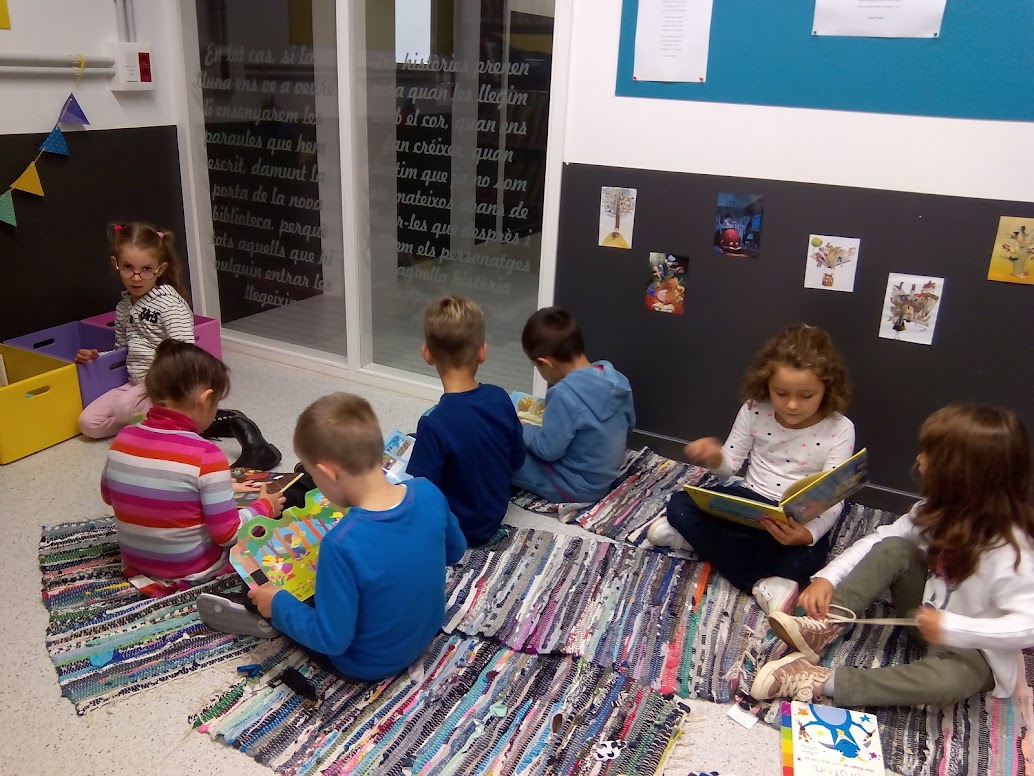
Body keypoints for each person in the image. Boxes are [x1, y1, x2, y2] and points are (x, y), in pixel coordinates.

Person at [752, 405, 1034, 708]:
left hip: (972, 652)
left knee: (950, 682)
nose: (919, 458)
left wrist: (954, 628)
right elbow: (882, 539)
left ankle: (822, 681)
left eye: (929, 453)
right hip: (924, 618)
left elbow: (1027, 625)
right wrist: (828, 578)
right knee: (894, 548)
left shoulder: (1010, 553)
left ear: (959, 474)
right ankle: (826, 625)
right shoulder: (934, 512)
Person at [200, 393, 468, 681]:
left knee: (259, 590)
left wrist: (277, 604)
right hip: (425, 631)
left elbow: (331, 640)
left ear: (327, 473)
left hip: (366, 662)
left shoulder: (341, 544)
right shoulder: (427, 491)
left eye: (314, 477)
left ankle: (261, 614)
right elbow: (456, 551)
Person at [648, 324, 854, 615]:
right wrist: (714, 457)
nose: (792, 405)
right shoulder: (754, 409)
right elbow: (729, 467)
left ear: (827, 389)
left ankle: (701, 543)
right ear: (766, 383)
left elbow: (834, 499)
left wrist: (807, 535)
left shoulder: (840, 428)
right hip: (749, 504)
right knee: (680, 505)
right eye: (780, 393)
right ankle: (759, 582)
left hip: (796, 522)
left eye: (807, 395)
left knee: (800, 566)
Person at [77, 222, 279, 469]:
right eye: (128, 268)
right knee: (89, 424)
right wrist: (98, 357)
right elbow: (121, 349)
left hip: (165, 387)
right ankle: (185, 423)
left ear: (160, 269)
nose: (136, 277)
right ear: (116, 264)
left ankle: (178, 421)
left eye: (146, 269)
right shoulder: (123, 307)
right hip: (134, 383)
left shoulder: (170, 305)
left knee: (124, 408)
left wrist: (161, 389)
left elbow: (184, 356)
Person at [101, 340, 285, 601]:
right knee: (273, 536)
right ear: (205, 399)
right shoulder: (207, 455)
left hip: (135, 562)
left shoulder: (123, 438)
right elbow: (227, 534)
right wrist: (264, 507)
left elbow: (109, 496)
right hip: (193, 569)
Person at [405, 295, 526, 546]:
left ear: (427, 354)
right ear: (482, 352)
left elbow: (422, 494)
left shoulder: (433, 423)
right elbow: (517, 459)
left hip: (460, 529)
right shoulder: (500, 397)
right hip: (494, 514)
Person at [511, 306, 635, 504]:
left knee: (501, 452)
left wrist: (522, 427)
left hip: (572, 486)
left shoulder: (563, 394)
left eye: (536, 366)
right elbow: (629, 425)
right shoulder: (618, 381)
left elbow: (547, 450)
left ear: (546, 363)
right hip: (603, 478)